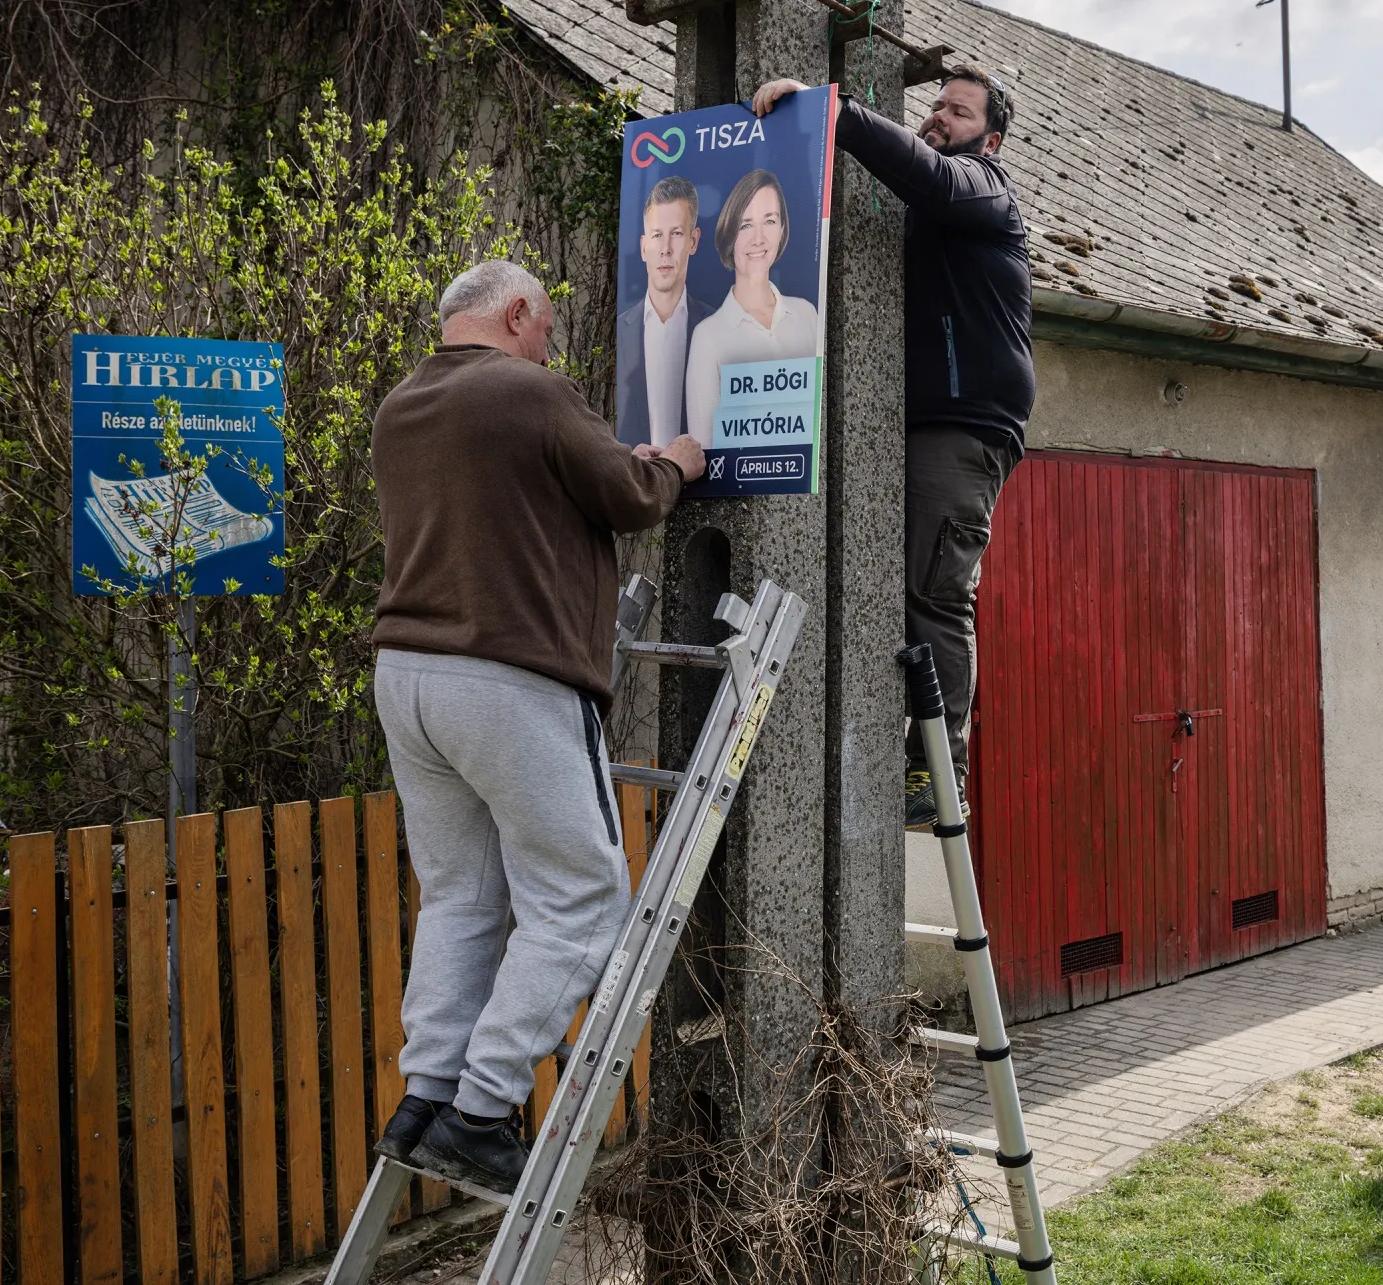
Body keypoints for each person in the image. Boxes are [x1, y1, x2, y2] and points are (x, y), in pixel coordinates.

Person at [368, 260, 706, 1193]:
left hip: (407, 679)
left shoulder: (401, 404)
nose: (551, 342)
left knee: (460, 898)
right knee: (583, 896)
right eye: (548, 325)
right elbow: (628, 496)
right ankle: (482, 1110)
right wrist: (675, 461)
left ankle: (424, 1101)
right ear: (515, 313)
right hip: (508, 681)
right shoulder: (530, 392)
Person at [751, 66, 1033, 827]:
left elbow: (931, 173)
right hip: (919, 422)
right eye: (935, 105)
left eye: (958, 110)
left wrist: (835, 108)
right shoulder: (935, 212)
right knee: (906, 585)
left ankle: (940, 773)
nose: (939, 116)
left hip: (966, 426)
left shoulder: (983, 188)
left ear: (992, 137)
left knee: (934, 591)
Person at [681, 168, 821, 448]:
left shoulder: (807, 315)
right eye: (745, 225)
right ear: (729, 235)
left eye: (770, 221)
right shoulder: (708, 336)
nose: (758, 238)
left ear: (782, 229)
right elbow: (705, 449)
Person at [615, 176, 715, 447]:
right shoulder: (618, 331)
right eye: (658, 235)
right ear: (644, 246)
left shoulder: (717, 328)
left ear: (693, 241)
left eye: (677, 234)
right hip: (640, 486)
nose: (666, 249)